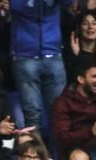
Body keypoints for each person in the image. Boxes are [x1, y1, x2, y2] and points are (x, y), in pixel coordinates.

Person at [8, 0, 71, 129]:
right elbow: (15, 5)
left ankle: (57, 150)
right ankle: (34, 149)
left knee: (59, 113)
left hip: (53, 53)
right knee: (32, 115)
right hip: (25, 55)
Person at [52, 57, 96, 160]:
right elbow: (62, 139)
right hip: (74, 152)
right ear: (81, 79)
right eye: (95, 76)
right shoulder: (63, 103)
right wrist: (91, 132)